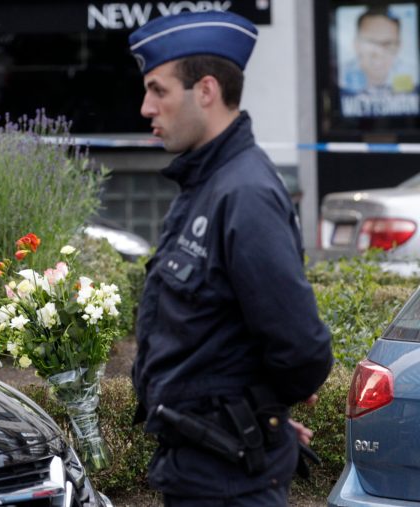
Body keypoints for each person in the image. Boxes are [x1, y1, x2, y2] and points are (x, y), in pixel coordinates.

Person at [128, 11, 333, 506]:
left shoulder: (245, 193)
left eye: (159, 90)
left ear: (206, 91)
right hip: (201, 470)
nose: (145, 107)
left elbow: (301, 348)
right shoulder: (206, 184)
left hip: (229, 480)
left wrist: (261, 409)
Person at [341, 7, 416, 95]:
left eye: (388, 43)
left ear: (399, 46)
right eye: (371, 42)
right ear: (356, 44)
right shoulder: (339, 76)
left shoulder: (413, 76)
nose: (379, 53)